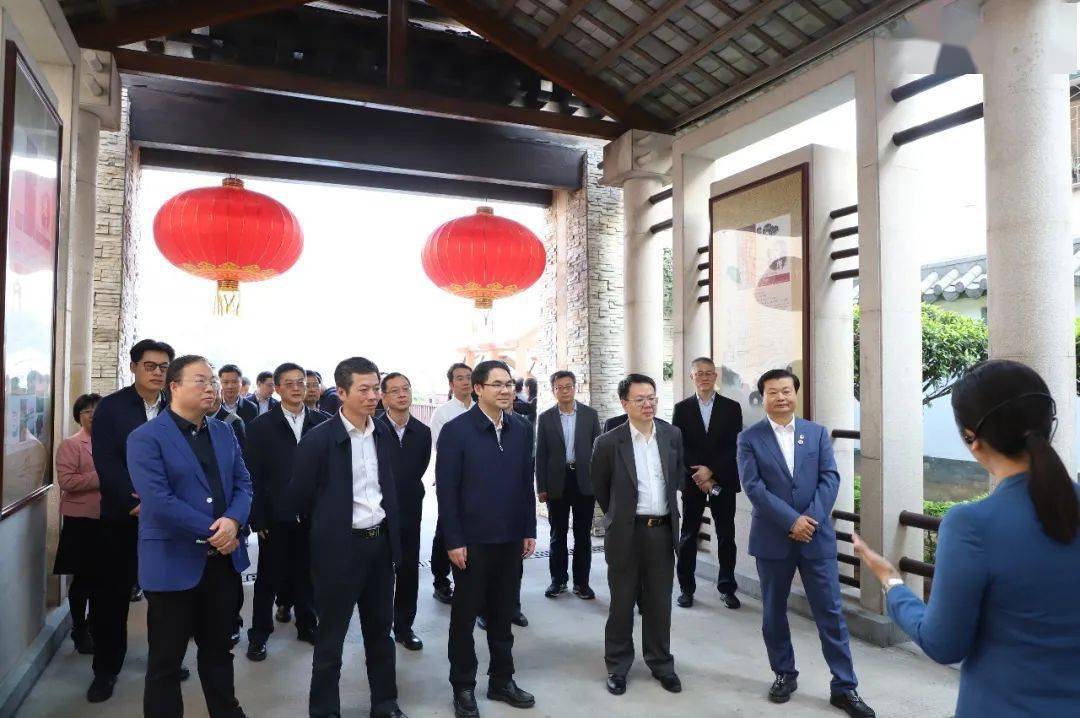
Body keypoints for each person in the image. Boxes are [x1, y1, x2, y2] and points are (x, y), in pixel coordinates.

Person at [854, 359, 1080, 717]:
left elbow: (943, 643)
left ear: (972, 439)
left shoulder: (971, 525)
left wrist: (891, 582)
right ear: (1048, 423)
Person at [737, 369, 873, 717]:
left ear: (795, 394)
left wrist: (808, 520)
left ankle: (845, 686)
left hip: (816, 537)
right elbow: (753, 487)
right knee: (773, 612)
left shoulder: (816, 433)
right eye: (773, 392)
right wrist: (791, 521)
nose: (781, 397)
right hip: (773, 538)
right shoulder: (749, 438)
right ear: (763, 397)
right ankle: (784, 673)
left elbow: (830, 478)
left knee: (831, 612)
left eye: (786, 390)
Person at [127, 355, 252, 718]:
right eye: (201, 380)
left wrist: (233, 521)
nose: (211, 387)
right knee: (166, 661)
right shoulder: (146, 437)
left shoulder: (224, 431)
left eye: (212, 381)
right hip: (172, 564)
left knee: (219, 652)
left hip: (221, 565)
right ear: (175, 387)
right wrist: (217, 531)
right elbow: (158, 500)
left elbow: (244, 483)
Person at [290, 357, 408, 718]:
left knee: (381, 633)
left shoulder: (382, 433)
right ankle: (325, 710)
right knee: (331, 639)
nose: (373, 396)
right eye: (364, 389)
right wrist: (329, 530)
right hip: (340, 552)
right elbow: (299, 498)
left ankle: (385, 704)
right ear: (341, 393)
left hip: (380, 546)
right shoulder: (318, 440)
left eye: (376, 388)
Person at [437, 360, 537, 718]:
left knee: (502, 613)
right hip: (471, 542)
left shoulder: (521, 428)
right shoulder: (456, 431)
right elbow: (447, 491)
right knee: (465, 618)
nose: (506, 390)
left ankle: (502, 680)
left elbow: (526, 482)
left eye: (509, 384)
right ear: (477, 389)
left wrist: (528, 528)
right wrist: (453, 539)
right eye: (497, 384)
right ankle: (463, 686)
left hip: (509, 538)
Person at [88, 338, 176, 703]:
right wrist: (130, 501)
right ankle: (106, 669)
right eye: (149, 366)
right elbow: (106, 461)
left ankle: (166, 662)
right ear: (133, 367)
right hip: (122, 517)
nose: (157, 373)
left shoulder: (177, 405)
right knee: (111, 597)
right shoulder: (112, 408)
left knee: (168, 598)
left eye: (163, 367)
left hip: (168, 521)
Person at [591, 374, 683, 697]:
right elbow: (601, 488)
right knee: (622, 603)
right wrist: (622, 517)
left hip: (662, 532)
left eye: (652, 398)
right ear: (624, 403)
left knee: (659, 602)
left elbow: (676, 478)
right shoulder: (608, 442)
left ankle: (661, 663)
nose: (648, 404)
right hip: (626, 534)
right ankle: (618, 666)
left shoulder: (671, 435)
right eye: (640, 399)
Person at [245, 362, 329, 661]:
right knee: (268, 577)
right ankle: (259, 634)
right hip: (275, 516)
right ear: (277, 388)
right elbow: (252, 476)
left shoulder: (323, 423)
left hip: (313, 515)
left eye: (301, 382)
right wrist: (257, 517)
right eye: (289, 383)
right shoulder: (260, 426)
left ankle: (307, 624)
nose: (296, 388)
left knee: (308, 574)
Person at [672, 357, 743, 609]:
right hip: (693, 479)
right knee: (688, 535)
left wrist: (711, 471)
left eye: (708, 373)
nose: (704, 377)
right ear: (691, 376)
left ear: (715, 376)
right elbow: (679, 445)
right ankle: (686, 588)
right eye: (699, 373)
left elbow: (733, 445)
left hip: (723, 478)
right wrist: (700, 473)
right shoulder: (682, 408)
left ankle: (727, 588)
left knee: (726, 536)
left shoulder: (731, 407)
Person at [378, 372, 432, 651]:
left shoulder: (422, 432)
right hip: (378, 511)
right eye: (395, 390)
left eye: (406, 389)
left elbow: (419, 467)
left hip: (411, 508)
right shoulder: (373, 430)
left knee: (408, 569)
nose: (402, 395)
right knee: (379, 571)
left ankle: (404, 627)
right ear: (383, 397)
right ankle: (378, 629)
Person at [535, 370, 601, 600]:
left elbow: (598, 451)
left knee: (583, 536)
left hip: (584, 481)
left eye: (568, 386)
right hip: (557, 482)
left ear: (575, 387)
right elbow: (541, 454)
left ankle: (582, 584)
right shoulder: (546, 418)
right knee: (558, 534)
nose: (564, 391)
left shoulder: (590, 415)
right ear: (553, 390)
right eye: (559, 387)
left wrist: (599, 482)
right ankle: (558, 581)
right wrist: (541, 486)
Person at [54, 393, 104, 655]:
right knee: (83, 579)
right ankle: (79, 629)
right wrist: (102, 475)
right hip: (81, 522)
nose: (93, 415)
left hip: (107, 520)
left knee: (102, 580)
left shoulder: (113, 442)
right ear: (78, 416)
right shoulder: (71, 445)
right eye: (87, 411)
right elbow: (67, 482)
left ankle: (96, 627)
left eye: (97, 410)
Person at [428, 362, 474, 606]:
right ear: (451, 384)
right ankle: (441, 580)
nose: (465, 382)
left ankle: (469, 579)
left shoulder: (481, 407)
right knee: (446, 529)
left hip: (479, 483)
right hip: (453, 480)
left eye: (469, 377)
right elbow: (441, 448)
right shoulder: (443, 413)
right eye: (460, 378)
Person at [210, 376, 247, 451]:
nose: (211, 399)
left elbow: (242, 453)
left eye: (214, 393)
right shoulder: (193, 419)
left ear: (221, 393)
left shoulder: (233, 421)